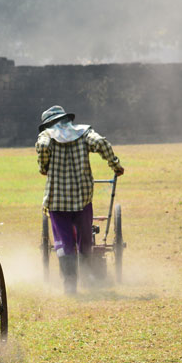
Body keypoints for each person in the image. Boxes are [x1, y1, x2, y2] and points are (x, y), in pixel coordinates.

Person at [36, 105, 125, 294]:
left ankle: (70, 283)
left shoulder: (47, 136)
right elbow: (101, 142)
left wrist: (44, 166)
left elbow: (43, 148)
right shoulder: (83, 132)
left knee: (64, 241)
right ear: (66, 120)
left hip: (57, 201)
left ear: (48, 124)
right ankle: (88, 276)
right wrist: (115, 164)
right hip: (82, 198)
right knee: (85, 238)